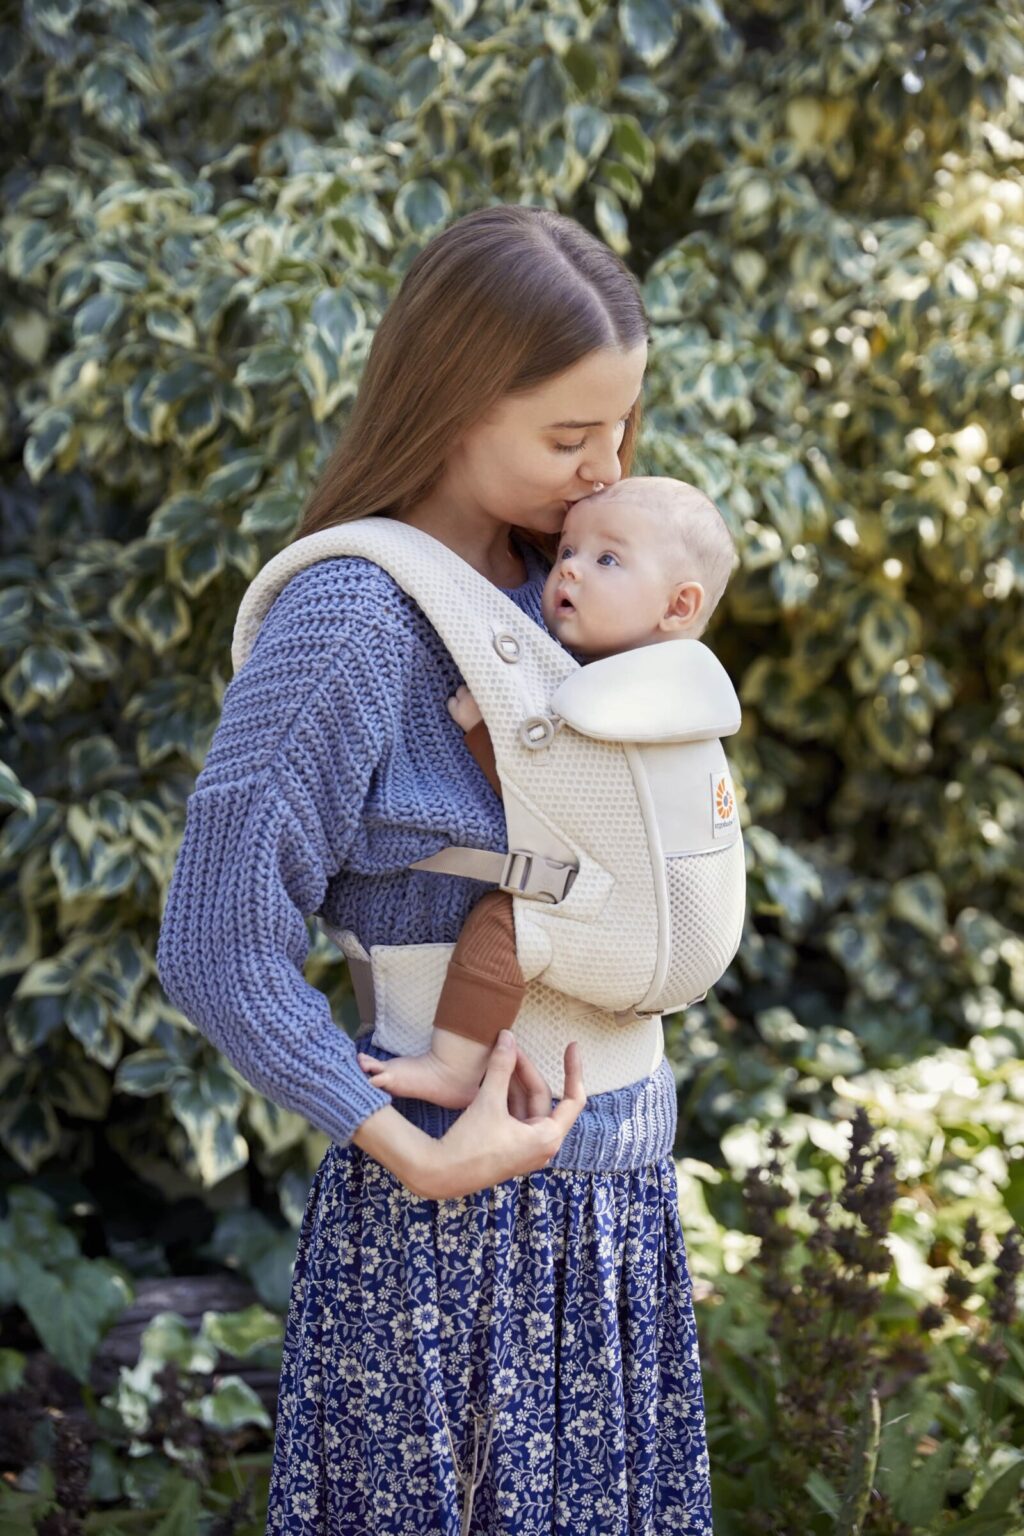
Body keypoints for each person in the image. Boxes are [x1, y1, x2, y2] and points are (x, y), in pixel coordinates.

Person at [156, 203, 714, 1534]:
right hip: (453, 1239)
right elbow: (216, 943)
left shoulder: (583, 593)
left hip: (616, 1216)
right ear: (454, 403)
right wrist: (412, 1155)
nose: (606, 470)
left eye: (620, 428)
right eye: (569, 438)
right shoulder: (352, 623)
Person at [356, 476, 737, 1111]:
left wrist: (484, 732)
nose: (571, 571)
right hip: (687, 944)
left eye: (607, 559)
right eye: (567, 552)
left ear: (678, 606)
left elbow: (542, 801)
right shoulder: (686, 696)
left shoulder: (612, 701)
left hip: (631, 937)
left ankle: (453, 1067)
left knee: (502, 923)